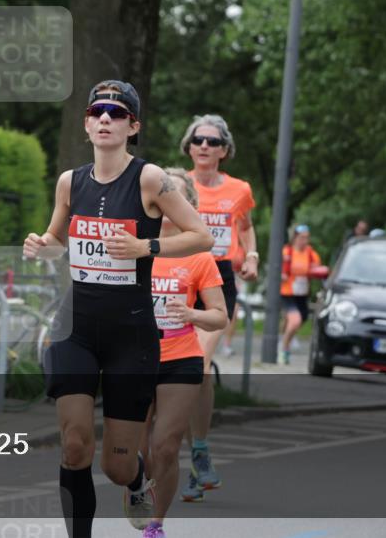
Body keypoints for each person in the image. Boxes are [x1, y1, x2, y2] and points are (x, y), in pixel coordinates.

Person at [23, 81, 213, 538]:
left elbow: (201, 236)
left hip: (131, 335)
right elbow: (57, 240)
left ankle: (138, 471)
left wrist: (144, 246)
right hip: (77, 328)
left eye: (117, 112)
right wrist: (42, 244)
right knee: (74, 446)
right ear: (87, 124)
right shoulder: (70, 181)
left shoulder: (150, 179)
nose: (106, 119)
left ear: (133, 126)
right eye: (98, 112)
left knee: (116, 467)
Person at [138, 169, 228, 537]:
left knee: (166, 445)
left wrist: (192, 314)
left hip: (180, 356)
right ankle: (138, 488)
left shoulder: (199, 257)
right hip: (135, 357)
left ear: (186, 205)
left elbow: (219, 316)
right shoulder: (135, 246)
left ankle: (156, 523)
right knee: (135, 450)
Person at [179, 113, 257, 501]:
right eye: (198, 140)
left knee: (198, 366)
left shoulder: (239, 189)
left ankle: (199, 450)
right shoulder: (172, 185)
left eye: (212, 141)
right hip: (176, 277)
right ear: (189, 147)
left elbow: (244, 226)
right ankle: (169, 456)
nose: (204, 146)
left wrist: (253, 256)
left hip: (218, 279)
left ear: (225, 150)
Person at [279, 224, 326, 364]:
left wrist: (319, 271)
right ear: (294, 238)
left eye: (306, 238)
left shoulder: (311, 254)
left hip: (302, 294)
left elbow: (318, 270)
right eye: (301, 238)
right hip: (287, 292)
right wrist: (282, 274)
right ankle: (284, 350)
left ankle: (285, 336)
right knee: (295, 320)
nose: (304, 241)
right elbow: (278, 267)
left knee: (299, 319)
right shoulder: (287, 252)